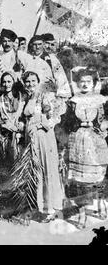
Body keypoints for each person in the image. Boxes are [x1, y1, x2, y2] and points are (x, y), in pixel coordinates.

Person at [12, 71, 64, 222]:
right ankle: (39, 207)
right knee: (36, 170)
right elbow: (24, 117)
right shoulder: (26, 97)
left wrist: (42, 123)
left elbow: (52, 115)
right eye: (27, 81)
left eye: (33, 81)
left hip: (43, 137)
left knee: (47, 168)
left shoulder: (43, 96)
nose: (30, 84)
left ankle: (50, 209)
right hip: (31, 137)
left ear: (38, 81)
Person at [64, 68, 108, 228]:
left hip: (95, 142)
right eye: (81, 81)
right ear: (77, 83)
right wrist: (78, 125)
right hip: (78, 143)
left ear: (93, 83)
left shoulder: (100, 101)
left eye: (88, 81)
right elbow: (67, 123)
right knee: (79, 181)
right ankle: (82, 214)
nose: (84, 84)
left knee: (97, 177)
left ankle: (100, 205)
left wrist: (101, 127)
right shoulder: (73, 101)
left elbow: (104, 120)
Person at [0, 71, 25, 191]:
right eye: (4, 82)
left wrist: (19, 126)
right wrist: (3, 124)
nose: (6, 85)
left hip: (19, 137)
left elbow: (24, 117)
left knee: (20, 164)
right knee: (5, 165)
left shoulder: (21, 98)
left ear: (13, 82)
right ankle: (7, 195)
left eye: (9, 81)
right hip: (5, 136)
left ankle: (19, 194)